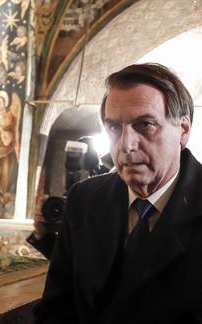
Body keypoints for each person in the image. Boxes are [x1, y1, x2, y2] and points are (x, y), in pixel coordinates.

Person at [34, 63, 202, 323]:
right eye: (114, 127)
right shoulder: (84, 200)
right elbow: (57, 309)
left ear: (183, 131)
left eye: (145, 124)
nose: (125, 144)